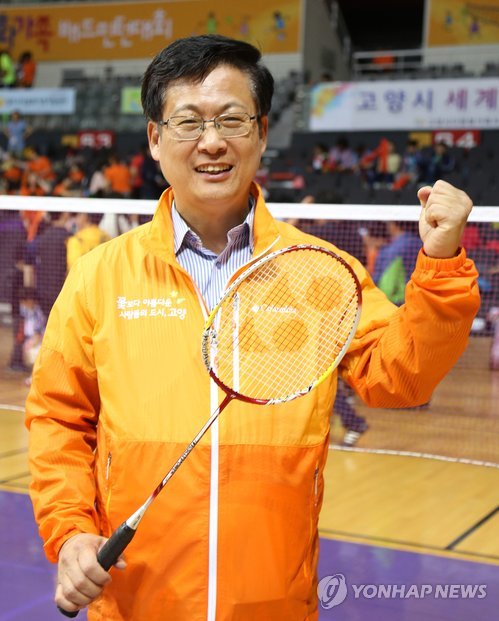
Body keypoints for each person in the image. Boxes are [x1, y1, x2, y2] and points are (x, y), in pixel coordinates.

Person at [25, 35, 480, 621]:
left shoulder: (321, 272)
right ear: (155, 139)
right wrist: (70, 532)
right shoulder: (100, 276)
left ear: (262, 132)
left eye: (232, 119)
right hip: (136, 603)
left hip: (274, 603)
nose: (212, 141)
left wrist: (441, 265)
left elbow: (401, 377)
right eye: (188, 121)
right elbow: (58, 417)